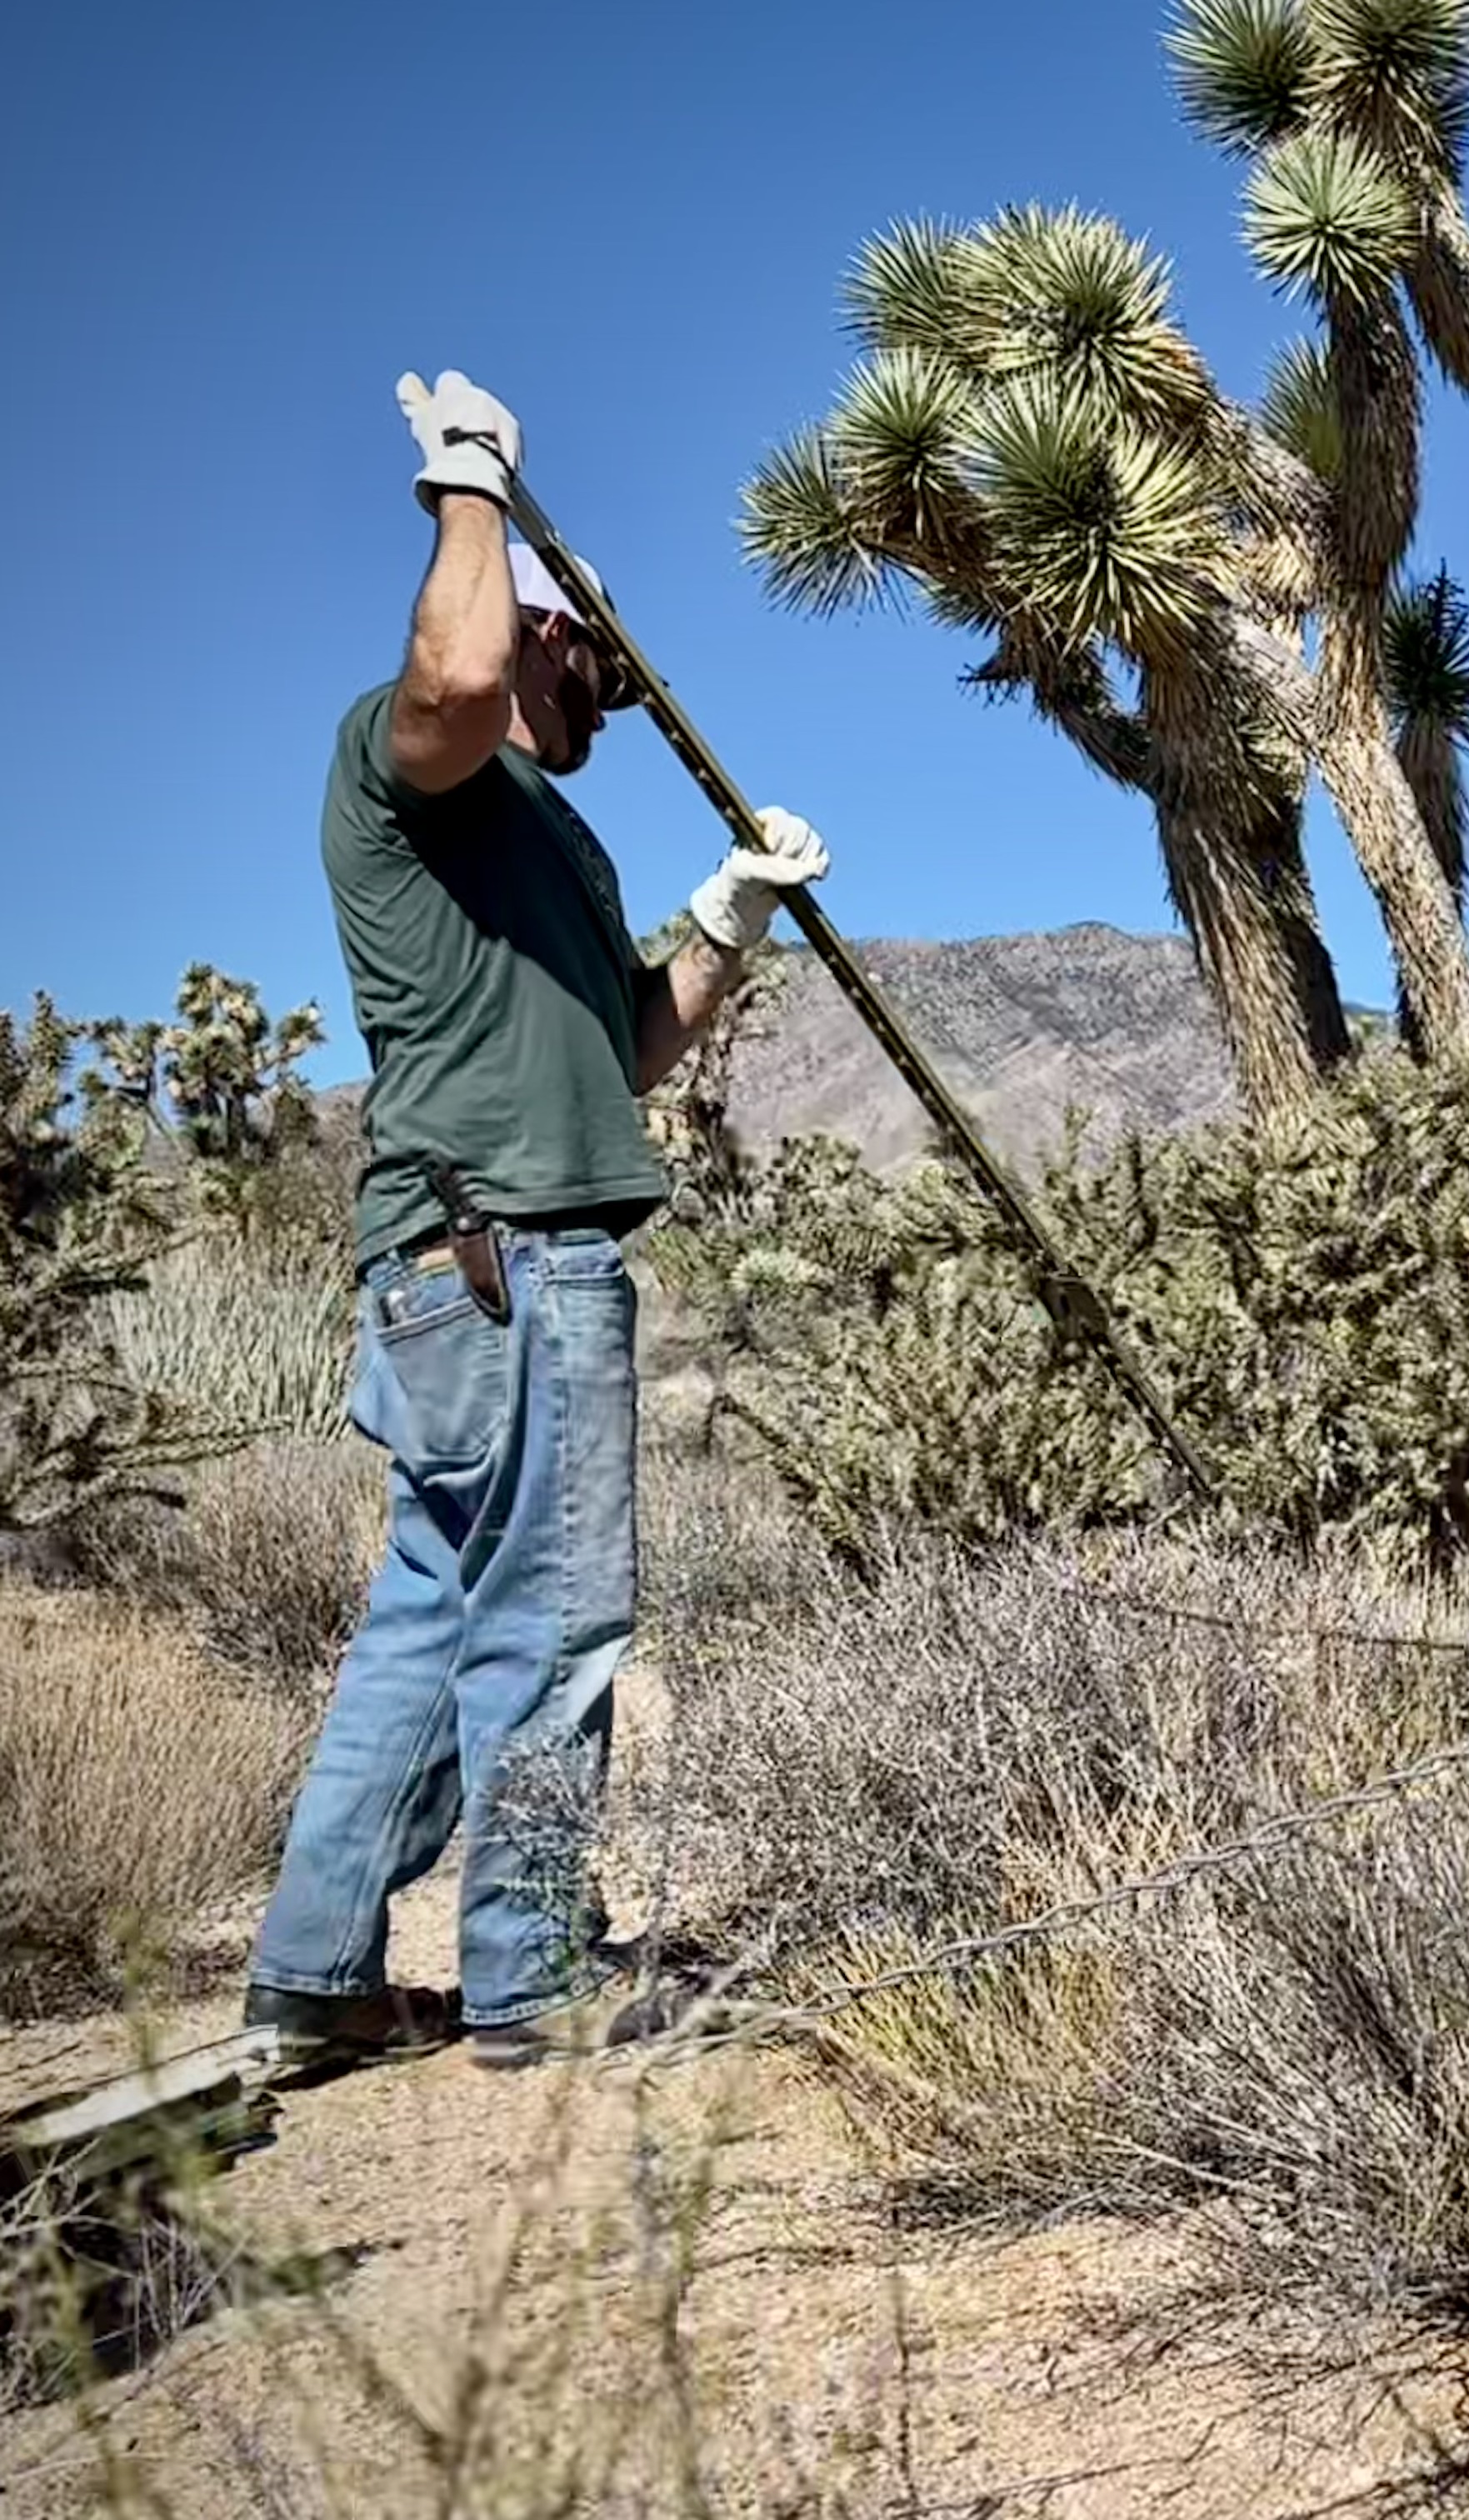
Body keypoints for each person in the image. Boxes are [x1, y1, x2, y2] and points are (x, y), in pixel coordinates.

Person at [242, 370, 833, 2074]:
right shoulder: (408, 757)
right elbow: (458, 673)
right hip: (507, 1261)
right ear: (540, 625)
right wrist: (472, 488)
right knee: (557, 1621)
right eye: (598, 667)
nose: (613, 702)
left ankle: (313, 1979)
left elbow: (634, 1043)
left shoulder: (548, 846)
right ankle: (528, 1981)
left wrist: (729, 917)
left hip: (473, 1269)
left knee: (427, 1628)